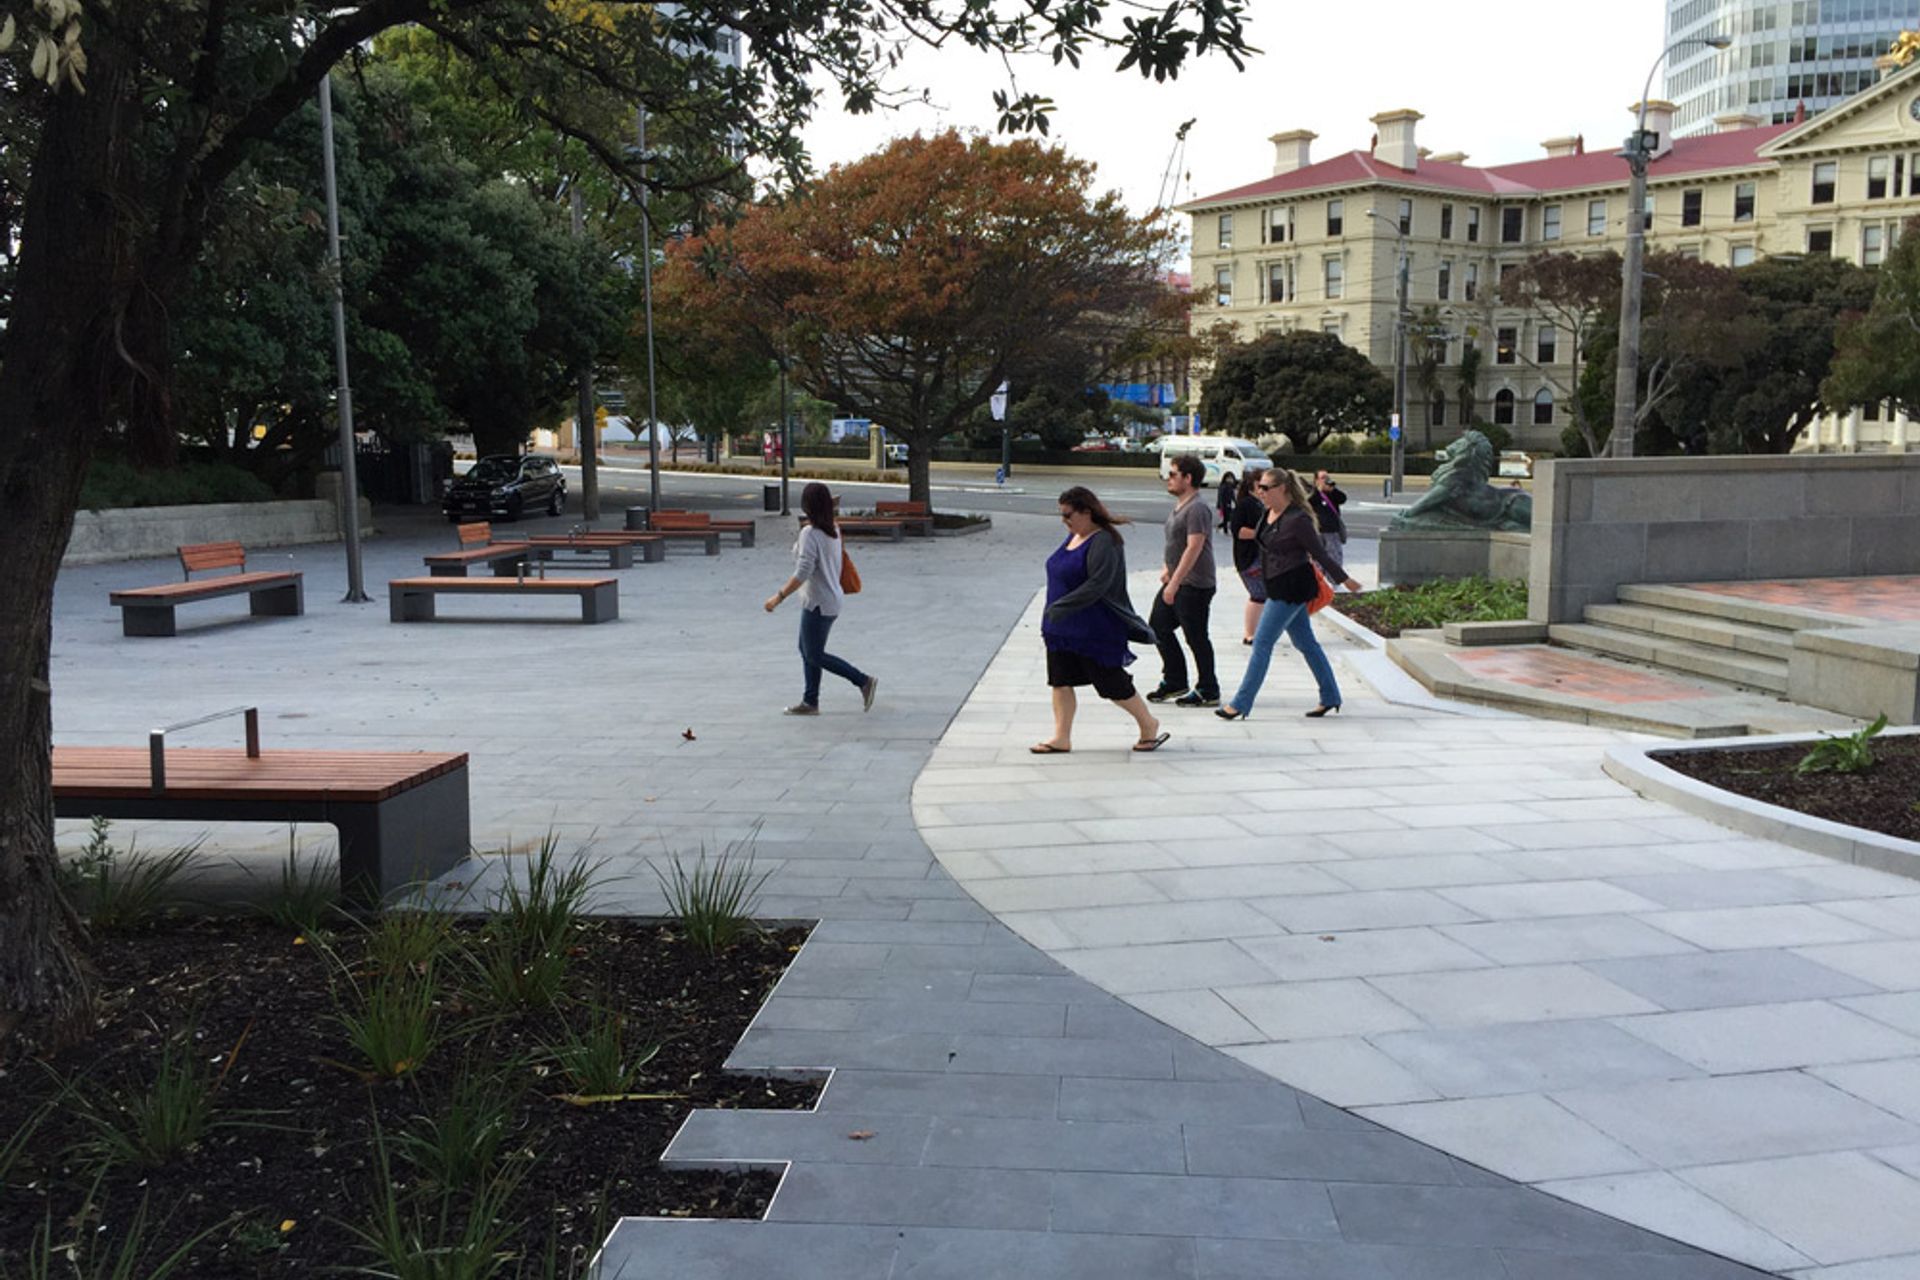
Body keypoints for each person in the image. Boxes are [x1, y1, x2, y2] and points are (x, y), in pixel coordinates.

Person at [1218, 467, 1363, 722]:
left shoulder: (1298, 520)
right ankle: (1330, 696)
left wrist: (1345, 580)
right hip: (1275, 583)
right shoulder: (1269, 514)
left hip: (1292, 587)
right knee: (1306, 643)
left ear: (1282, 489)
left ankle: (1240, 703)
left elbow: (1320, 553)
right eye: (1259, 487)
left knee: (1262, 643)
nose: (1260, 492)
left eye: (1265, 488)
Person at [1032, 486, 1168, 754]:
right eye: (1062, 515)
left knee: (1110, 682)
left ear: (1086, 511)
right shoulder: (1073, 536)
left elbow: (1098, 584)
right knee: (1060, 680)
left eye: (1068, 514)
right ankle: (1061, 737)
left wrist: (1063, 605)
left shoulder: (1104, 540)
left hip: (1094, 628)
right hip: (1061, 627)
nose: (1065, 521)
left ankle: (1148, 725)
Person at [765, 482, 878, 716]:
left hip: (818, 602)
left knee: (814, 654)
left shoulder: (811, 533)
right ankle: (810, 701)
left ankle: (862, 680)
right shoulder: (833, 529)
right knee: (807, 649)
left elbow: (803, 570)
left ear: (807, 505)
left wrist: (779, 597)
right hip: (828, 599)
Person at [1145, 454, 1220, 708]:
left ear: (1188, 478)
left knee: (1196, 636)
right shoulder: (1182, 505)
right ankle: (1175, 680)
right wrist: (1168, 569)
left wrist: (1175, 582)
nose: (1169, 478)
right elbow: (1175, 544)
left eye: (1174, 474)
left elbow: (1194, 547)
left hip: (1194, 583)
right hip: (1178, 580)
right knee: (1157, 626)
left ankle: (1208, 688)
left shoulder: (1197, 507)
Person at [1231, 476, 1268, 645]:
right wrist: (1261, 533)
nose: (1263, 490)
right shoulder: (1246, 504)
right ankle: (1250, 633)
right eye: (1260, 485)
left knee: (1264, 595)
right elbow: (1238, 531)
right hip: (1250, 558)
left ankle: (1258, 631)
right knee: (1258, 594)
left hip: (1261, 557)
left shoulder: (1261, 505)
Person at [1309, 469, 1348, 546]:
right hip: (1318, 531)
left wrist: (1333, 490)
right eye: (1323, 477)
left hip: (1332, 530)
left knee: (1334, 555)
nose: (1326, 480)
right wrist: (1319, 491)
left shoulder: (1331, 493)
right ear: (1316, 480)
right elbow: (1309, 502)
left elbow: (1343, 499)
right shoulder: (1312, 492)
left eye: (1327, 477)